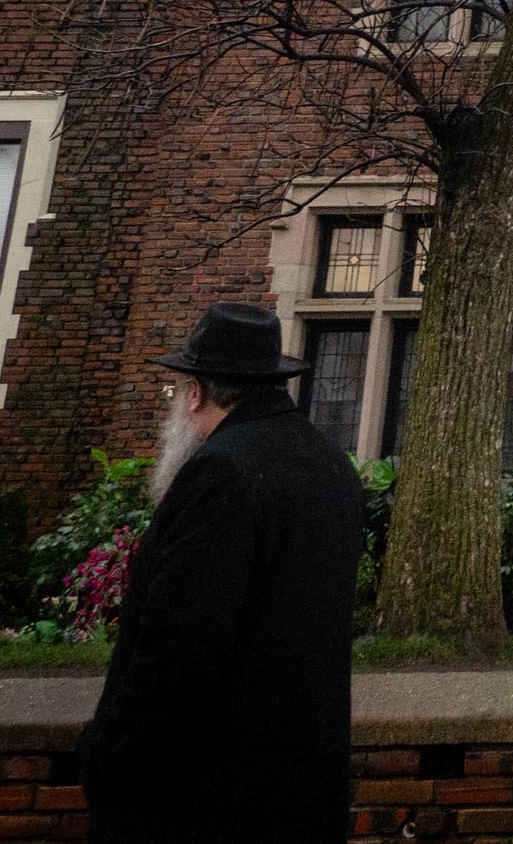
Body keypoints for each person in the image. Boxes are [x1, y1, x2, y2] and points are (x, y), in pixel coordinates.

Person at [79, 303, 366, 844]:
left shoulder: (221, 471)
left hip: (205, 798)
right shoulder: (330, 463)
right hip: (300, 790)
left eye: (176, 393)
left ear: (196, 393)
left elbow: (180, 647)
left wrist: (109, 753)